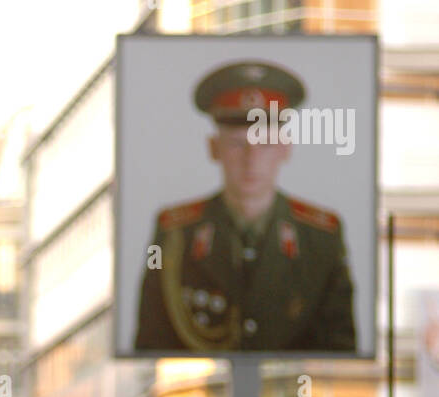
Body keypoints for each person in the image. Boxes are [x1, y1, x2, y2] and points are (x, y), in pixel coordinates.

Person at [134, 60, 356, 353]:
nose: (251, 159)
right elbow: (151, 340)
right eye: (238, 144)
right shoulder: (173, 232)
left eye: (264, 144)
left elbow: (340, 345)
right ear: (214, 149)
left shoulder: (322, 236)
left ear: (285, 148)